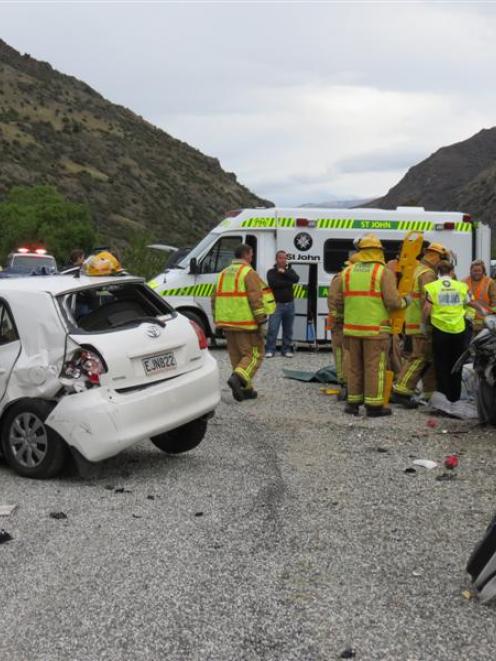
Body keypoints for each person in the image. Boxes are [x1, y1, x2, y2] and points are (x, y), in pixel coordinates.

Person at [335, 234, 410, 417]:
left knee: (354, 367)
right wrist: (405, 302)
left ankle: (352, 404)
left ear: (361, 252)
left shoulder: (347, 272)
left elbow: (338, 301)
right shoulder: (383, 272)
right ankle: (374, 406)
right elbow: (393, 301)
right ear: (378, 251)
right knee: (374, 367)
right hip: (375, 330)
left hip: (352, 329)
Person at [212, 243, 271, 401]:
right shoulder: (248, 272)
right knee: (254, 355)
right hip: (246, 324)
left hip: (227, 324)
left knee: (237, 357)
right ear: (245, 254)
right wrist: (262, 320)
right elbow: (255, 298)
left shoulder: (223, 273)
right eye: (251, 254)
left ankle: (246, 390)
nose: (252, 257)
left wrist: (217, 322)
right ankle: (237, 379)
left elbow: (214, 299)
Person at [392, 242, 447, 407]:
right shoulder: (428, 274)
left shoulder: (419, 269)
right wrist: (429, 323)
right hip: (421, 323)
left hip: (414, 321)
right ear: (437, 257)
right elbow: (428, 301)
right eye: (443, 259)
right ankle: (402, 390)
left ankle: (430, 392)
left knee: (428, 358)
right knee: (419, 357)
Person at [424, 261, 472, 403]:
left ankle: (443, 397)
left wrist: (423, 325)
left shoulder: (433, 287)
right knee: (456, 363)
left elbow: (427, 308)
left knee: (441, 363)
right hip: (459, 329)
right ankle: (455, 397)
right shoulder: (462, 286)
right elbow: (469, 302)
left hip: (440, 329)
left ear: (437, 272)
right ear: (452, 271)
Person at [265, 250, 300, 357]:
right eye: (280, 258)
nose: (283, 260)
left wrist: (285, 273)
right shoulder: (271, 272)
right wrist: (288, 282)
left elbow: (296, 279)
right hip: (277, 305)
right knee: (273, 329)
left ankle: (286, 350)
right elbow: (274, 283)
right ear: (276, 259)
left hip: (290, 304)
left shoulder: (290, 271)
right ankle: (270, 350)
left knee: (288, 329)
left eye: (285, 258)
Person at [464, 259, 496, 333]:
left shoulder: (490, 282)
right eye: (474, 270)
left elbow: (494, 301)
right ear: (470, 271)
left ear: (483, 271)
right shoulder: (463, 282)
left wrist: (493, 317)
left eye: (479, 271)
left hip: (484, 322)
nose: (477, 273)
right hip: (468, 322)